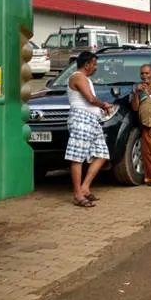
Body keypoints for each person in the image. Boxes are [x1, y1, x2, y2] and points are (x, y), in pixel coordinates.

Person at [65, 52, 113, 208]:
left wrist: (100, 109)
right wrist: (104, 105)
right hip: (81, 119)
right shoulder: (78, 77)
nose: (96, 67)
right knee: (77, 157)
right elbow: (90, 99)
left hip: (92, 120)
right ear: (87, 65)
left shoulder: (85, 79)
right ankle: (77, 194)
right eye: (94, 64)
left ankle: (85, 187)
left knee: (102, 154)